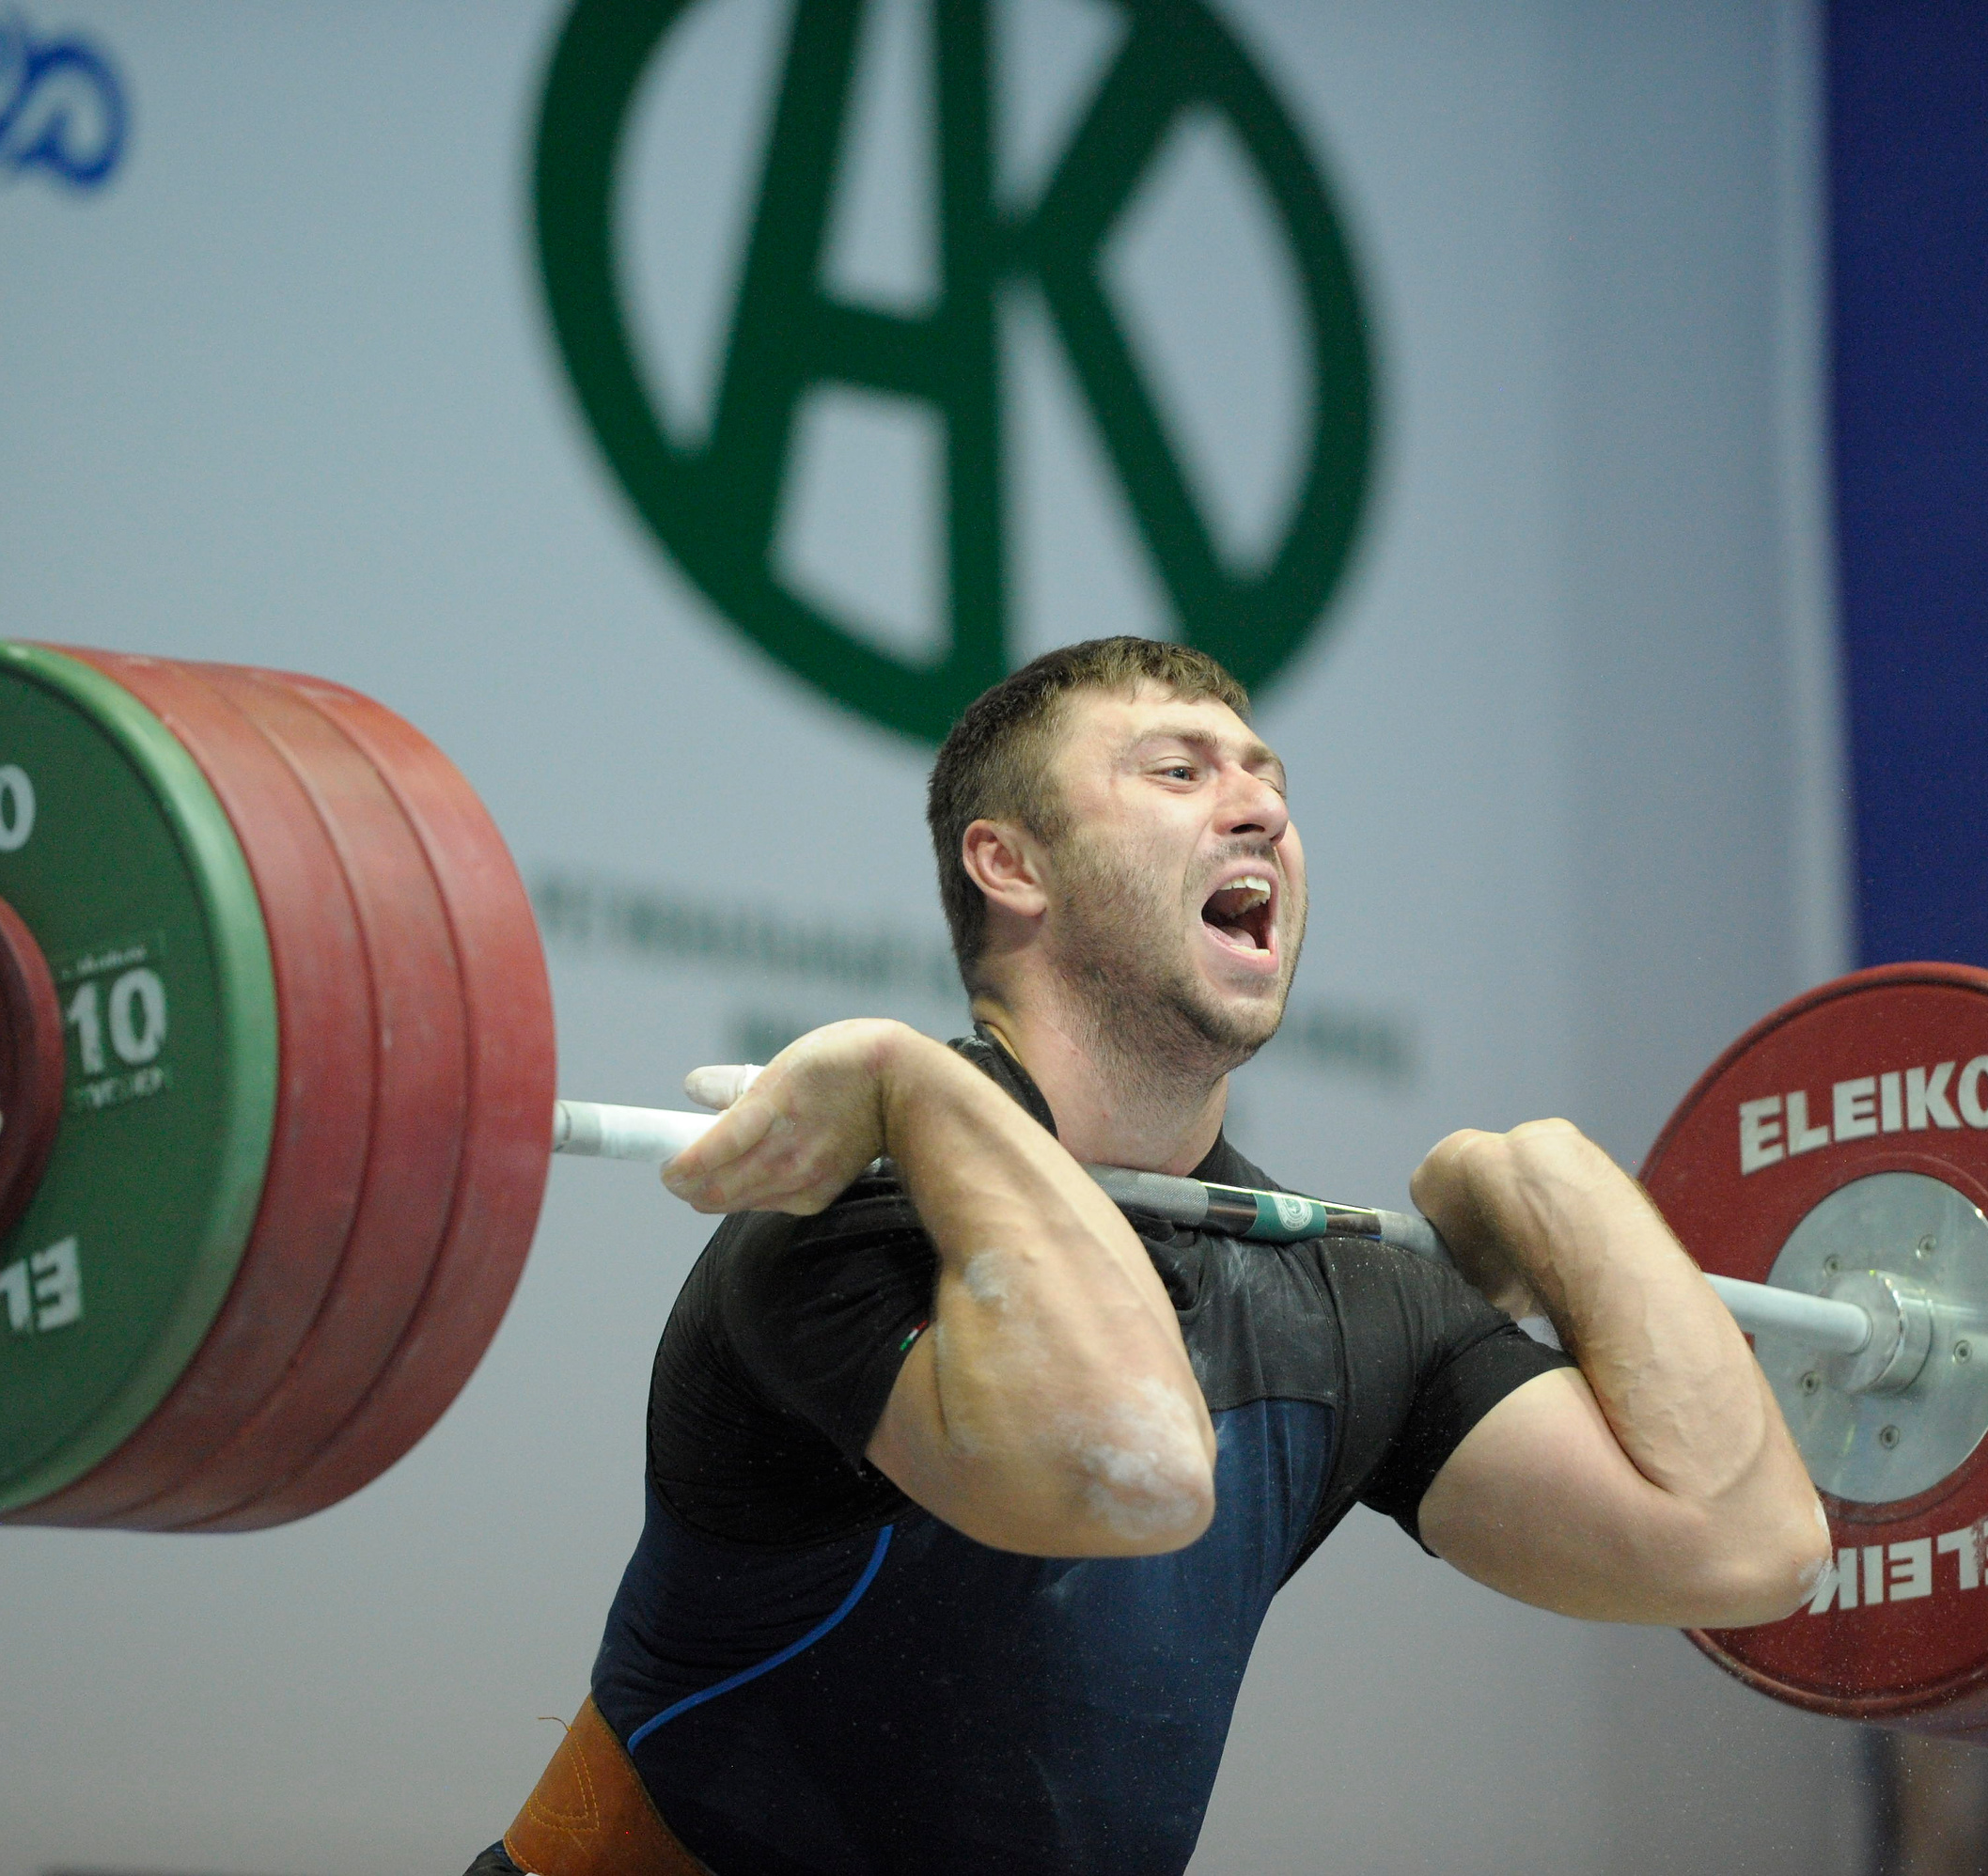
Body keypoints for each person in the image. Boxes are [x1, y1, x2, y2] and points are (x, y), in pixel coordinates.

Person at [472, 638, 1828, 1876]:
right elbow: (1130, 1475)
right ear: (1011, 865)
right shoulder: (843, 1214)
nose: (1262, 811)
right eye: (1179, 772)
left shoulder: (1341, 1300)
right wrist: (922, 1088)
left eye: (1268, 778)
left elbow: (1748, 1548)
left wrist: (1555, 1181)